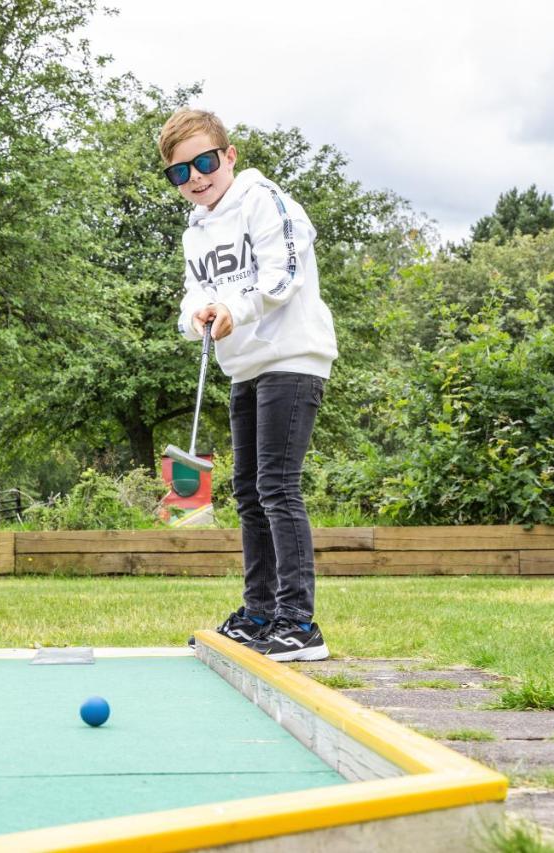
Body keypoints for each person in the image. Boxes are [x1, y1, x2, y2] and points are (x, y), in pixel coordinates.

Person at [159, 108, 336, 662]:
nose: (195, 177)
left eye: (204, 162)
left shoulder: (266, 202)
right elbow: (193, 295)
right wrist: (198, 317)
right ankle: (260, 614)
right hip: (245, 367)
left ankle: (299, 622)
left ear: (229, 156)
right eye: (180, 172)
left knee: (279, 486)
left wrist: (234, 306)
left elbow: (282, 275)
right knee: (249, 492)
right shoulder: (195, 231)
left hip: (292, 356)